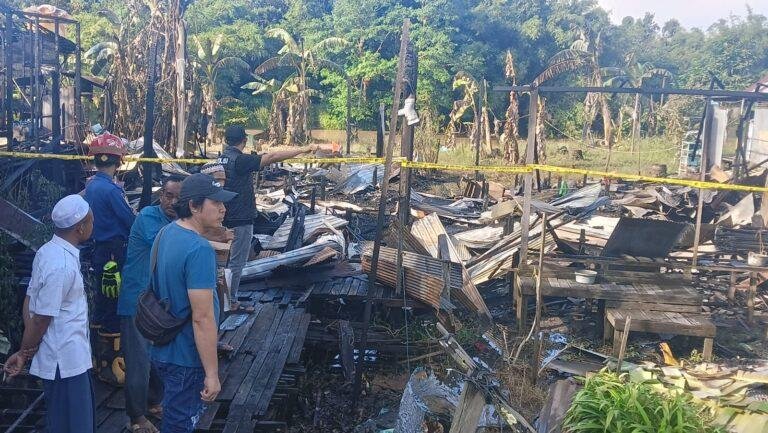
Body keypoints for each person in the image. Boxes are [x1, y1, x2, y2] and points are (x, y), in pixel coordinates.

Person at [150, 173, 236, 433]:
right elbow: (202, 318)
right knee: (180, 424)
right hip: (185, 355)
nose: (223, 209)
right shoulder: (198, 249)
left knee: (174, 417)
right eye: (216, 203)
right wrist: (212, 372)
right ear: (193, 206)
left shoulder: (166, 233)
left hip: (162, 347)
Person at [5, 195, 96, 433]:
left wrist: (27, 347)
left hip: (61, 357)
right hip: (65, 361)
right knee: (75, 425)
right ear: (80, 227)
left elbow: (30, 300)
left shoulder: (47, 251)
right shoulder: (62, 267)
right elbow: (42, 318)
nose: (92, 226)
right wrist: (25, 352)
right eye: (91, 221)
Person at [218, 125, 317, 311]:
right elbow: (271, 157)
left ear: (225, 140)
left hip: (223, 218)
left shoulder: (220, 159)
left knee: (223, 261)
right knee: (236, 262)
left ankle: (221, 300)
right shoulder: (240, 160)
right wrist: (304, 149)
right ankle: (230, 302)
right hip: (240, 220)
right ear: (244, 141)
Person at [118, 176, 184, 433]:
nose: (172, 201)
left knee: (154, 355)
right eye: (168, 195)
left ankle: (153, 400)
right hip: (137, 300)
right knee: (138, 361)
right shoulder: (148, 218)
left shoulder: (176, 222)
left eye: (178, 197)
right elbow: (168, 245)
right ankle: (136, 417)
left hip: (156, 303)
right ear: (161, 196)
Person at [83, 132, 135, 384]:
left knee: (102, 301)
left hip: (99, 251)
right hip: (115, 252)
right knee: (113, 301)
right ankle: (113, 364)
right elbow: (129, 220)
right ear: (118, 161)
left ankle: (96, 358)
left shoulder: (91, 186)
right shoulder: (112, 191)